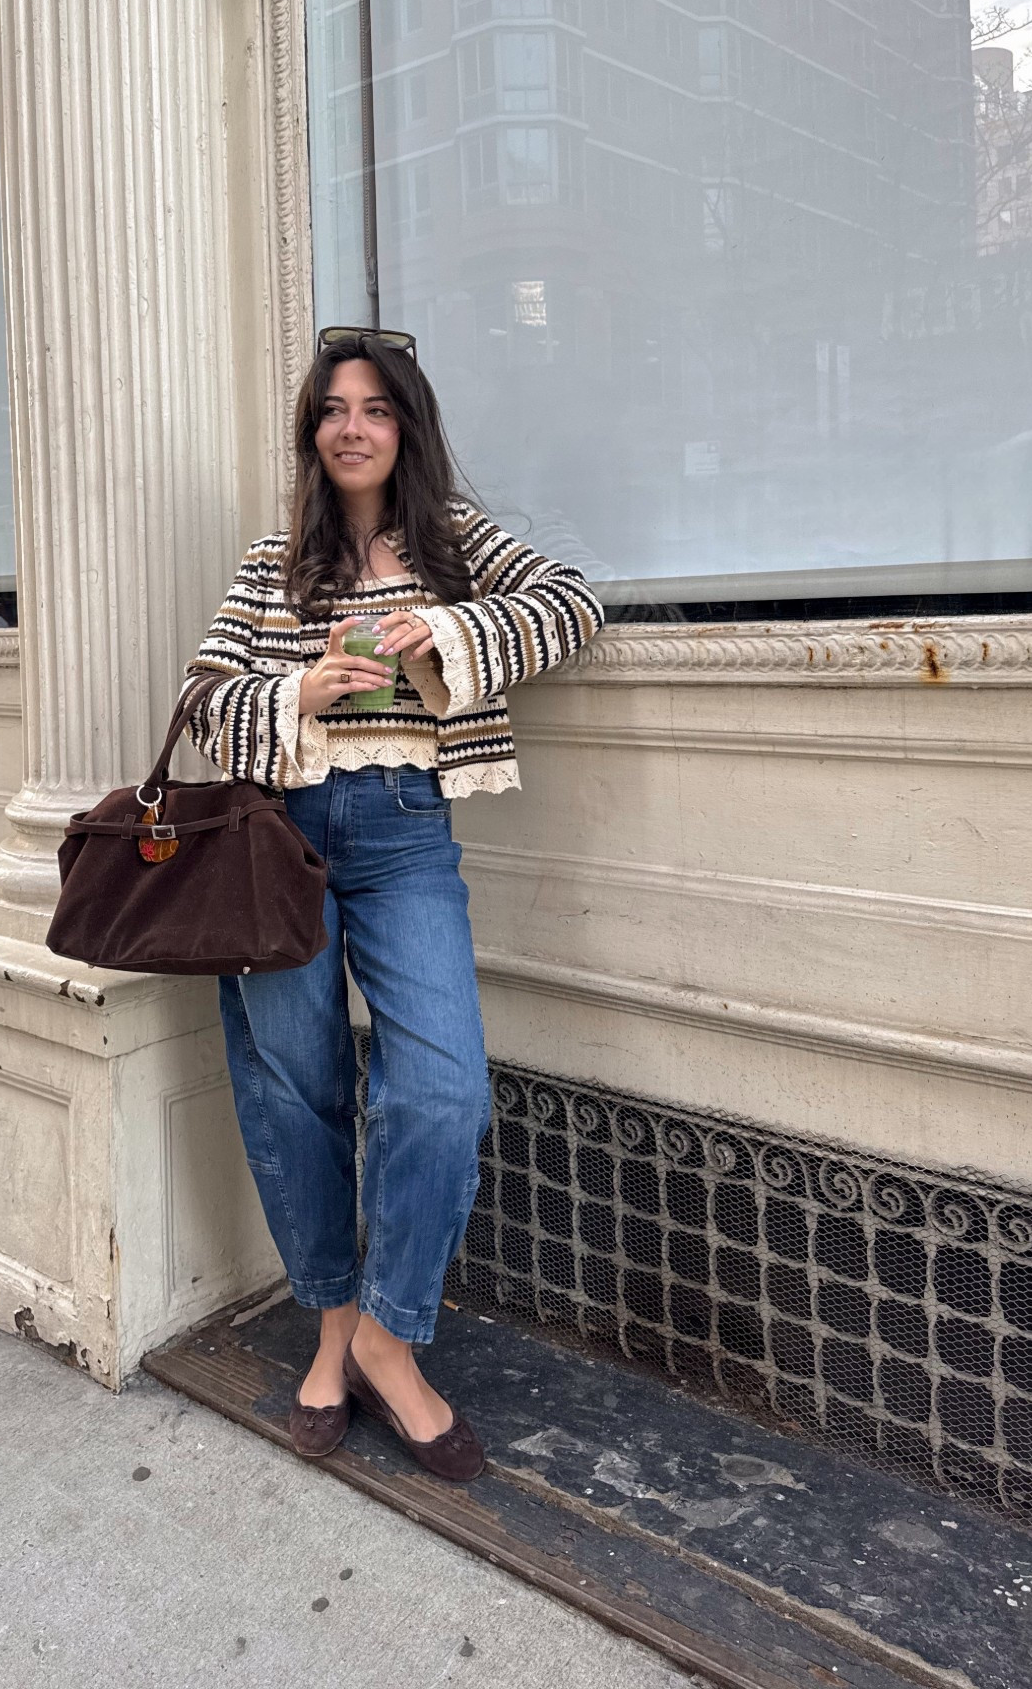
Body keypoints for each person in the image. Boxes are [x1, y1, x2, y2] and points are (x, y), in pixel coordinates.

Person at [183, 328, 604, 1480]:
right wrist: (297, 687)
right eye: (332, 409)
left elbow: (573, 605)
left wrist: (452, 630)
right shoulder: (277, 559)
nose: (352, 426)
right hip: (283, 843)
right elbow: (205, 695)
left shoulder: (456, 544)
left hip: (409, 832)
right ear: (313, 431)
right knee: (298, 1088)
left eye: (374, 407)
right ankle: (329, 1326)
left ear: (406, 425)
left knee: (442, 1087)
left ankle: (388, 1332)